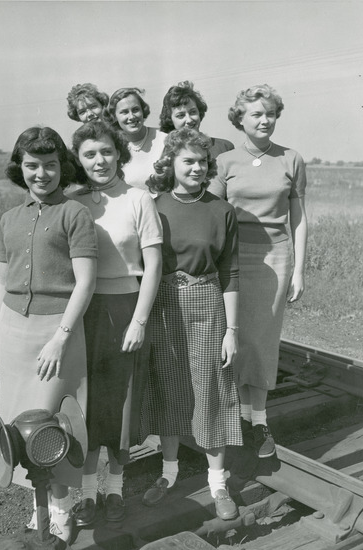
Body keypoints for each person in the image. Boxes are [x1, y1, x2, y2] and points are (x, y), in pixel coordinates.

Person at [0, 126, 98, 542]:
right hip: (14, 331)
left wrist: (61, 337)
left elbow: (84, 283)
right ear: (21, 169)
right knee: (20, 425)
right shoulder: (8, 219)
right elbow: (2, 282)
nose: (41, 174)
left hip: (58, 335)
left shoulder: (74, 214)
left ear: (62, 167)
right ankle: (38, 509)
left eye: (50, 165)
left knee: (59, 424)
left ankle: (61, 507)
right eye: (32, 166)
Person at [139, 128, 242, 521]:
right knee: (169, 384)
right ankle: (169, 473)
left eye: (202, 161)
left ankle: (218, 481)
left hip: (208, 304)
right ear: (171, 164)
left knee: (212, 385)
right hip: (164, 303)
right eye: (188, 161)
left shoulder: (221, 210)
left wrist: (232, 331)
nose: (197, 167)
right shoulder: (154, 205)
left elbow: (231, 272)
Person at [67, 120, 162, 525]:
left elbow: (153, 265)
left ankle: (115, 488)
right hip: (85, 310)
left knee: (122, 404)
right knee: (87, 403)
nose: (99, 160)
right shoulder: (73, 202)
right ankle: (87, 493)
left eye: (106, 151)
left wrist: (139, 321)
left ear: (118, 153)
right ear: (79, 160)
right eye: (89, 154)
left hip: (126, 307)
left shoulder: (139, 199)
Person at [208, 84, 308, 458]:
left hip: (275, 258)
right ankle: (234, 415)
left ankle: (260, 421)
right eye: (256, 114)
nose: (264, 120)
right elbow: (212, 214)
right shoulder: (225, 162)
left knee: (263, 336)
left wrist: (298, 268)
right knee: (232, 335)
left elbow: (297, 218)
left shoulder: (291, 159)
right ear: (240, 119)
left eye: (270, 114)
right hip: (232, 258)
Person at [104, 87, 167, 190]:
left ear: (143, 111)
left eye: (135, 110)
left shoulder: (164, 140)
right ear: (114, 116)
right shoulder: (113, 147)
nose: (132, 116)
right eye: (124, 112)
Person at [159, 81, 234, 159]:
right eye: (180, 115)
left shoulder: (224, 148)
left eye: (193, 112)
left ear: (199, 112)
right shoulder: (165, 154)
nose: (189, 120)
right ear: (170, 120)